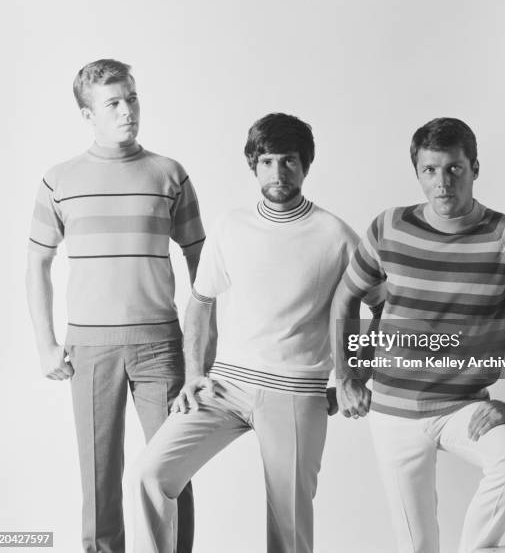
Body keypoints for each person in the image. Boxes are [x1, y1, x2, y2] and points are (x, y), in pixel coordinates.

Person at [130, 112, 376, 553]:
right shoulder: (231, 226)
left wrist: (354, 376)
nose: (278, 173)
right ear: (253, 164)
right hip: (225, 384)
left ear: (305, 165)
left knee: (289, 522)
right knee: (151, 473)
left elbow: (383, 307)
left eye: (288, 162)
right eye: (266, 162)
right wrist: (192, 375)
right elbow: (201, 304)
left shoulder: (336, 235)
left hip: (295, 391)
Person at [330, 117, 505, 553]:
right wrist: (347, 375)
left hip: (463, 407)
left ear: (475, 168)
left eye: (454, 169)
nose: (443, 182)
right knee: (416, 547)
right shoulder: (389, 227)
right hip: (393, 412)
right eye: (430, 171)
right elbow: (345, 298)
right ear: (418, 173)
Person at [25, 59, 203, 553]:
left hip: (161, 346)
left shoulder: (170, 174)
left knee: (170, 471)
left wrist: (202, 350)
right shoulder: (59, 180)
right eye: (114, 103)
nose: (128, 111)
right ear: (88, 115)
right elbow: (36, 264)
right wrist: (46, 345)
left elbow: (203, 266)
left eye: (133, 98)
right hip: (90, 349)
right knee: (99, 476)